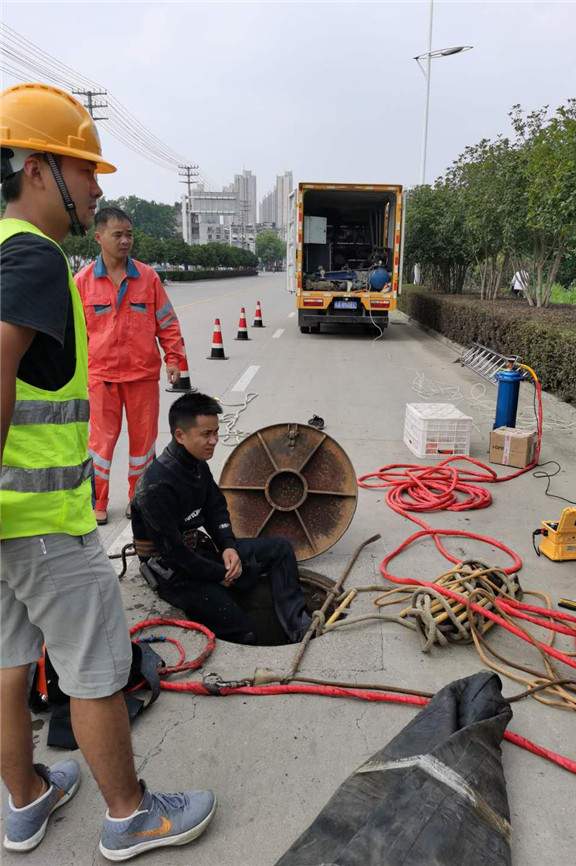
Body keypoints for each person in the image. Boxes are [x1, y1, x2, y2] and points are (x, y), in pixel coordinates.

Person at [0, 82, 215, 860]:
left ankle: (24, 798)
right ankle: (131, 815)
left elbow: (162, 326)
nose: (96, 188)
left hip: (11, 518)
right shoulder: (32, 254)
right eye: (84, 169)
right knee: (95, 665)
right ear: (35, 168)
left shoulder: (2, 248)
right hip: (43, 522)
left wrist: (181, 365)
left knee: (9, 658)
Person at [131, 392, 312, 645]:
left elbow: (216, 509)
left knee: (280, 548)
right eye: (206, 434)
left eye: (216, 432)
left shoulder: (197, 466)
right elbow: (174, 553)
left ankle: (298, 626)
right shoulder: (157, 487)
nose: (214, 440)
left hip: (200, 553)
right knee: (244, 632)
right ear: (180, 435)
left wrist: (228, 545)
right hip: (174, 572)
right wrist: (219, 574)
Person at [74, 206, 184, 526]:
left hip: (142, 376)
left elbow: (167, 323)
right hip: (101, 376)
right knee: (100, 446)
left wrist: (174, 359)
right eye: (117, 235)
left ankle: (140, 499)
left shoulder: (147, 278)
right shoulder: (81, 282)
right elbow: (73, 335)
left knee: (143, 446)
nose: (125, 241)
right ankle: (98, 501)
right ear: (99, 237)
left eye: (129, 234)